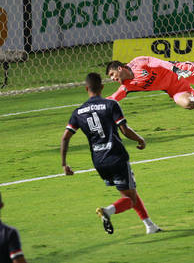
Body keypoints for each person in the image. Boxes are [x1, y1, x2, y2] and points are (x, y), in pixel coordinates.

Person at [60, 72, 162, 235]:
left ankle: (150, 225)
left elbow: (65, 138)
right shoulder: (110, 104)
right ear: (102, 87)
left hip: (99, 161)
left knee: (129, 193)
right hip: (116, 157)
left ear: (86, 88)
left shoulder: (78, 112)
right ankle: (107, 211)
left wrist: (64, 164)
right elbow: (125, 130)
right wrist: (140, 139)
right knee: (130, 199)